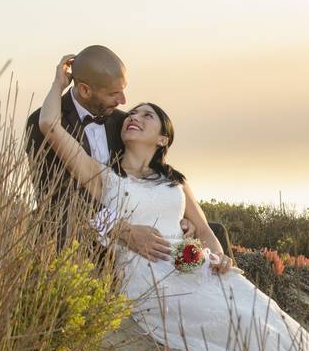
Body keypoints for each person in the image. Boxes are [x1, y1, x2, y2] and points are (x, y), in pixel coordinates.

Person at [35, 54, 309, 351]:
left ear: (162, 139)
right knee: (240, 329)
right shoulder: (103, 176)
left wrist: (217, 255)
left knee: (267, 318)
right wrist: (56, 84)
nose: (131, 114)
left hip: (193, 266)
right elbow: (52, 135)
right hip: (143, 272)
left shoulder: (174, 180)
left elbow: (204, 230)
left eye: (146, 115)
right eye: (131, 111)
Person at [25, 45, 231, 261]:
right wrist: (125, 231)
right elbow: (59, 199)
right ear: (85, 90)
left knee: (215, 233)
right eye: (114, 93)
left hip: (146, 231)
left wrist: (174, 219)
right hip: (80, 232)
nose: (124, 101)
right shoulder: (42, 124)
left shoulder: (123, 122)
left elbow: (153, 176)